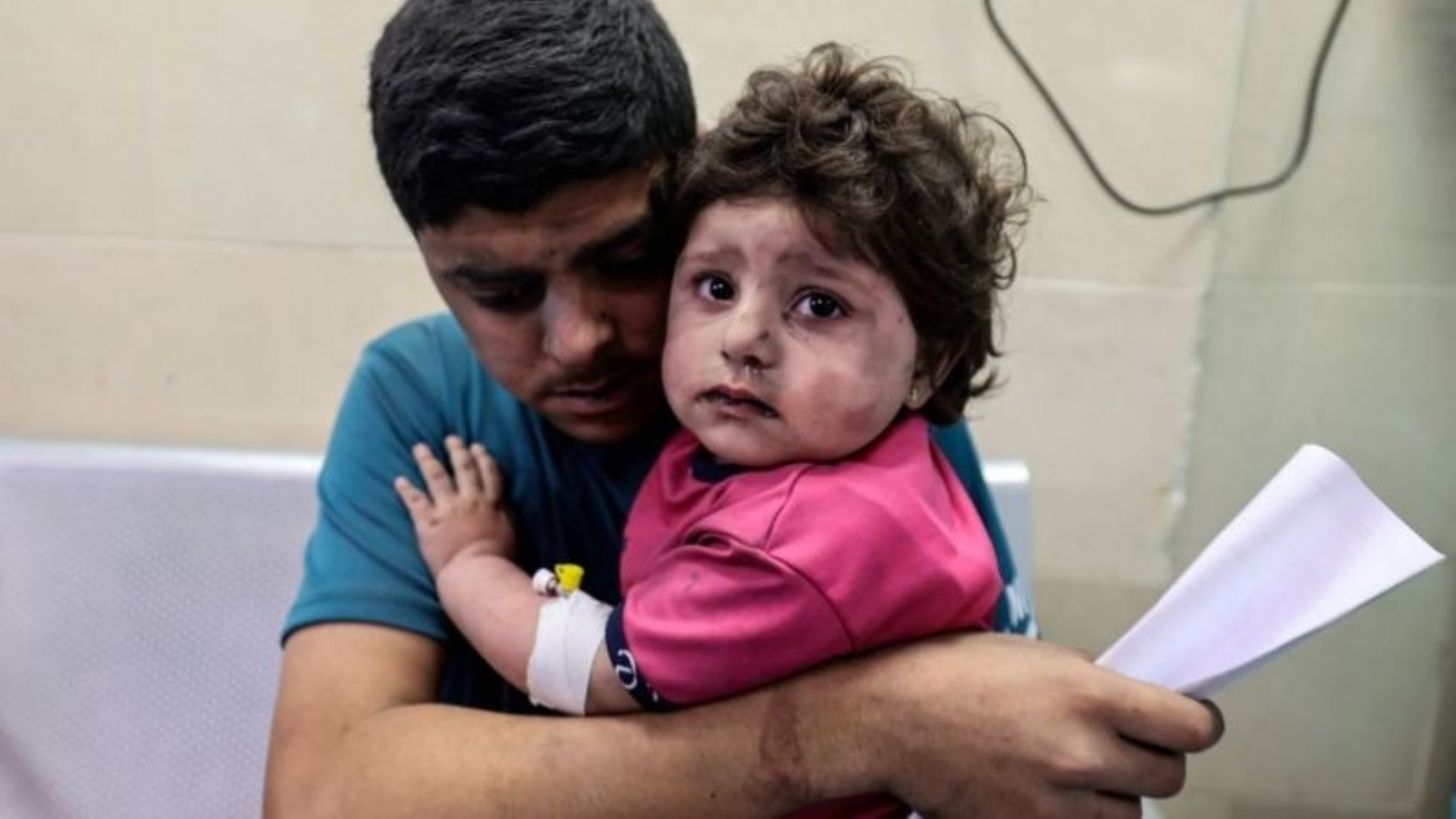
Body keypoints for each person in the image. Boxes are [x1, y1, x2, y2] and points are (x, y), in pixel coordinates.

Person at [262, 1, 1223, 817]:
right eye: (501, 292)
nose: (579, 338)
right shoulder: (421, 397)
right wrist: (869, 726)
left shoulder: (853, 416)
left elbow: (997, 727)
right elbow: (319, 794)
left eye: (629, 260)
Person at [392, 43, 1025, 818]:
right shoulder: (813, 443)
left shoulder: (806, 542)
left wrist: (467, 560)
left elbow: (578, 665)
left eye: (819, 304)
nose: (743, 336)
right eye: (716, 285)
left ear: (929, 361)